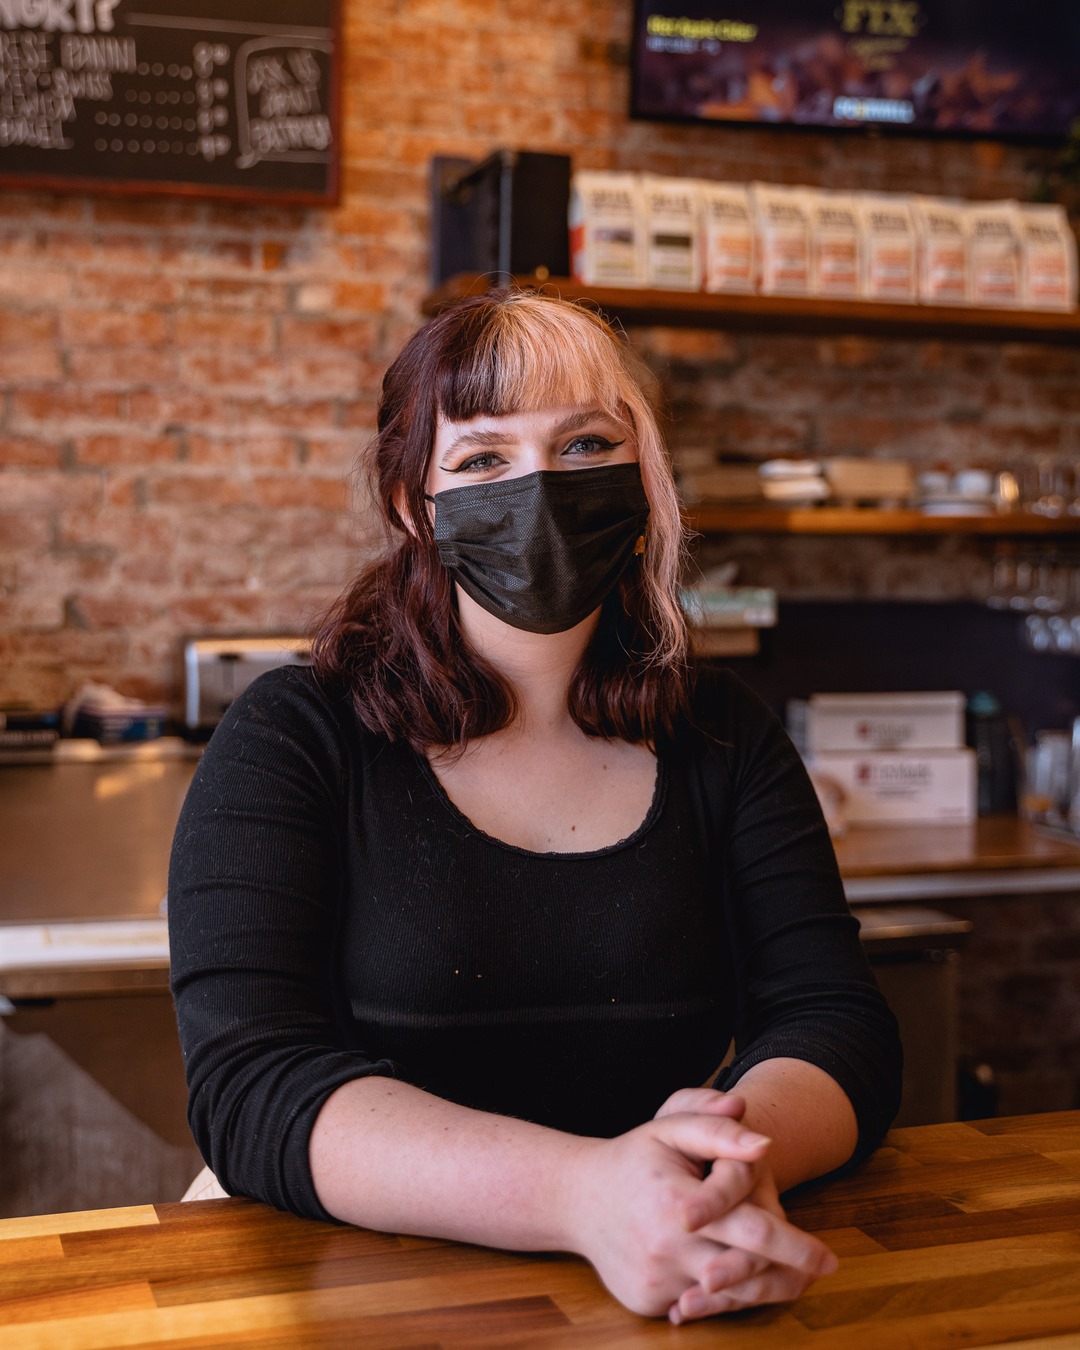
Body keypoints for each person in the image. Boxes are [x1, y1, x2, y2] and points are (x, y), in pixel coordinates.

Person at [168, 288, 902, 1325]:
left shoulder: (722, 734)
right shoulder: (295, 738)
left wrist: (717, 1172)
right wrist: (583, 1195)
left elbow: (834, 1020)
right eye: (481, 460)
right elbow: (251, 1082)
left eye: (586, 444)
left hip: (660, 1278)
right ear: (413, 506)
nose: (540, 488)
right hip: (336, 1297)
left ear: (644, 479)